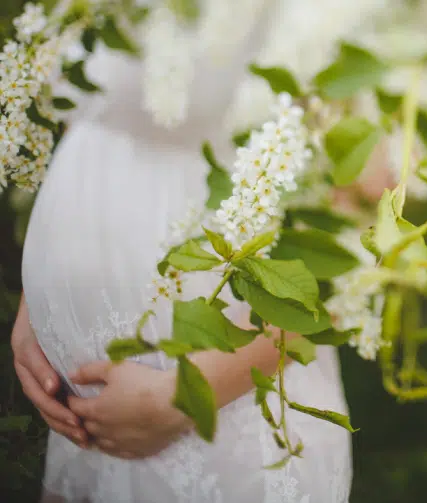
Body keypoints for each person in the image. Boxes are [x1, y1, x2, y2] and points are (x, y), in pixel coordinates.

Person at [10, 5, 353, 502]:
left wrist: (185, 399)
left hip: (222, 408)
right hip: (83, 413)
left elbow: (355, 237)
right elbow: (90, 120)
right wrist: (38, 305)